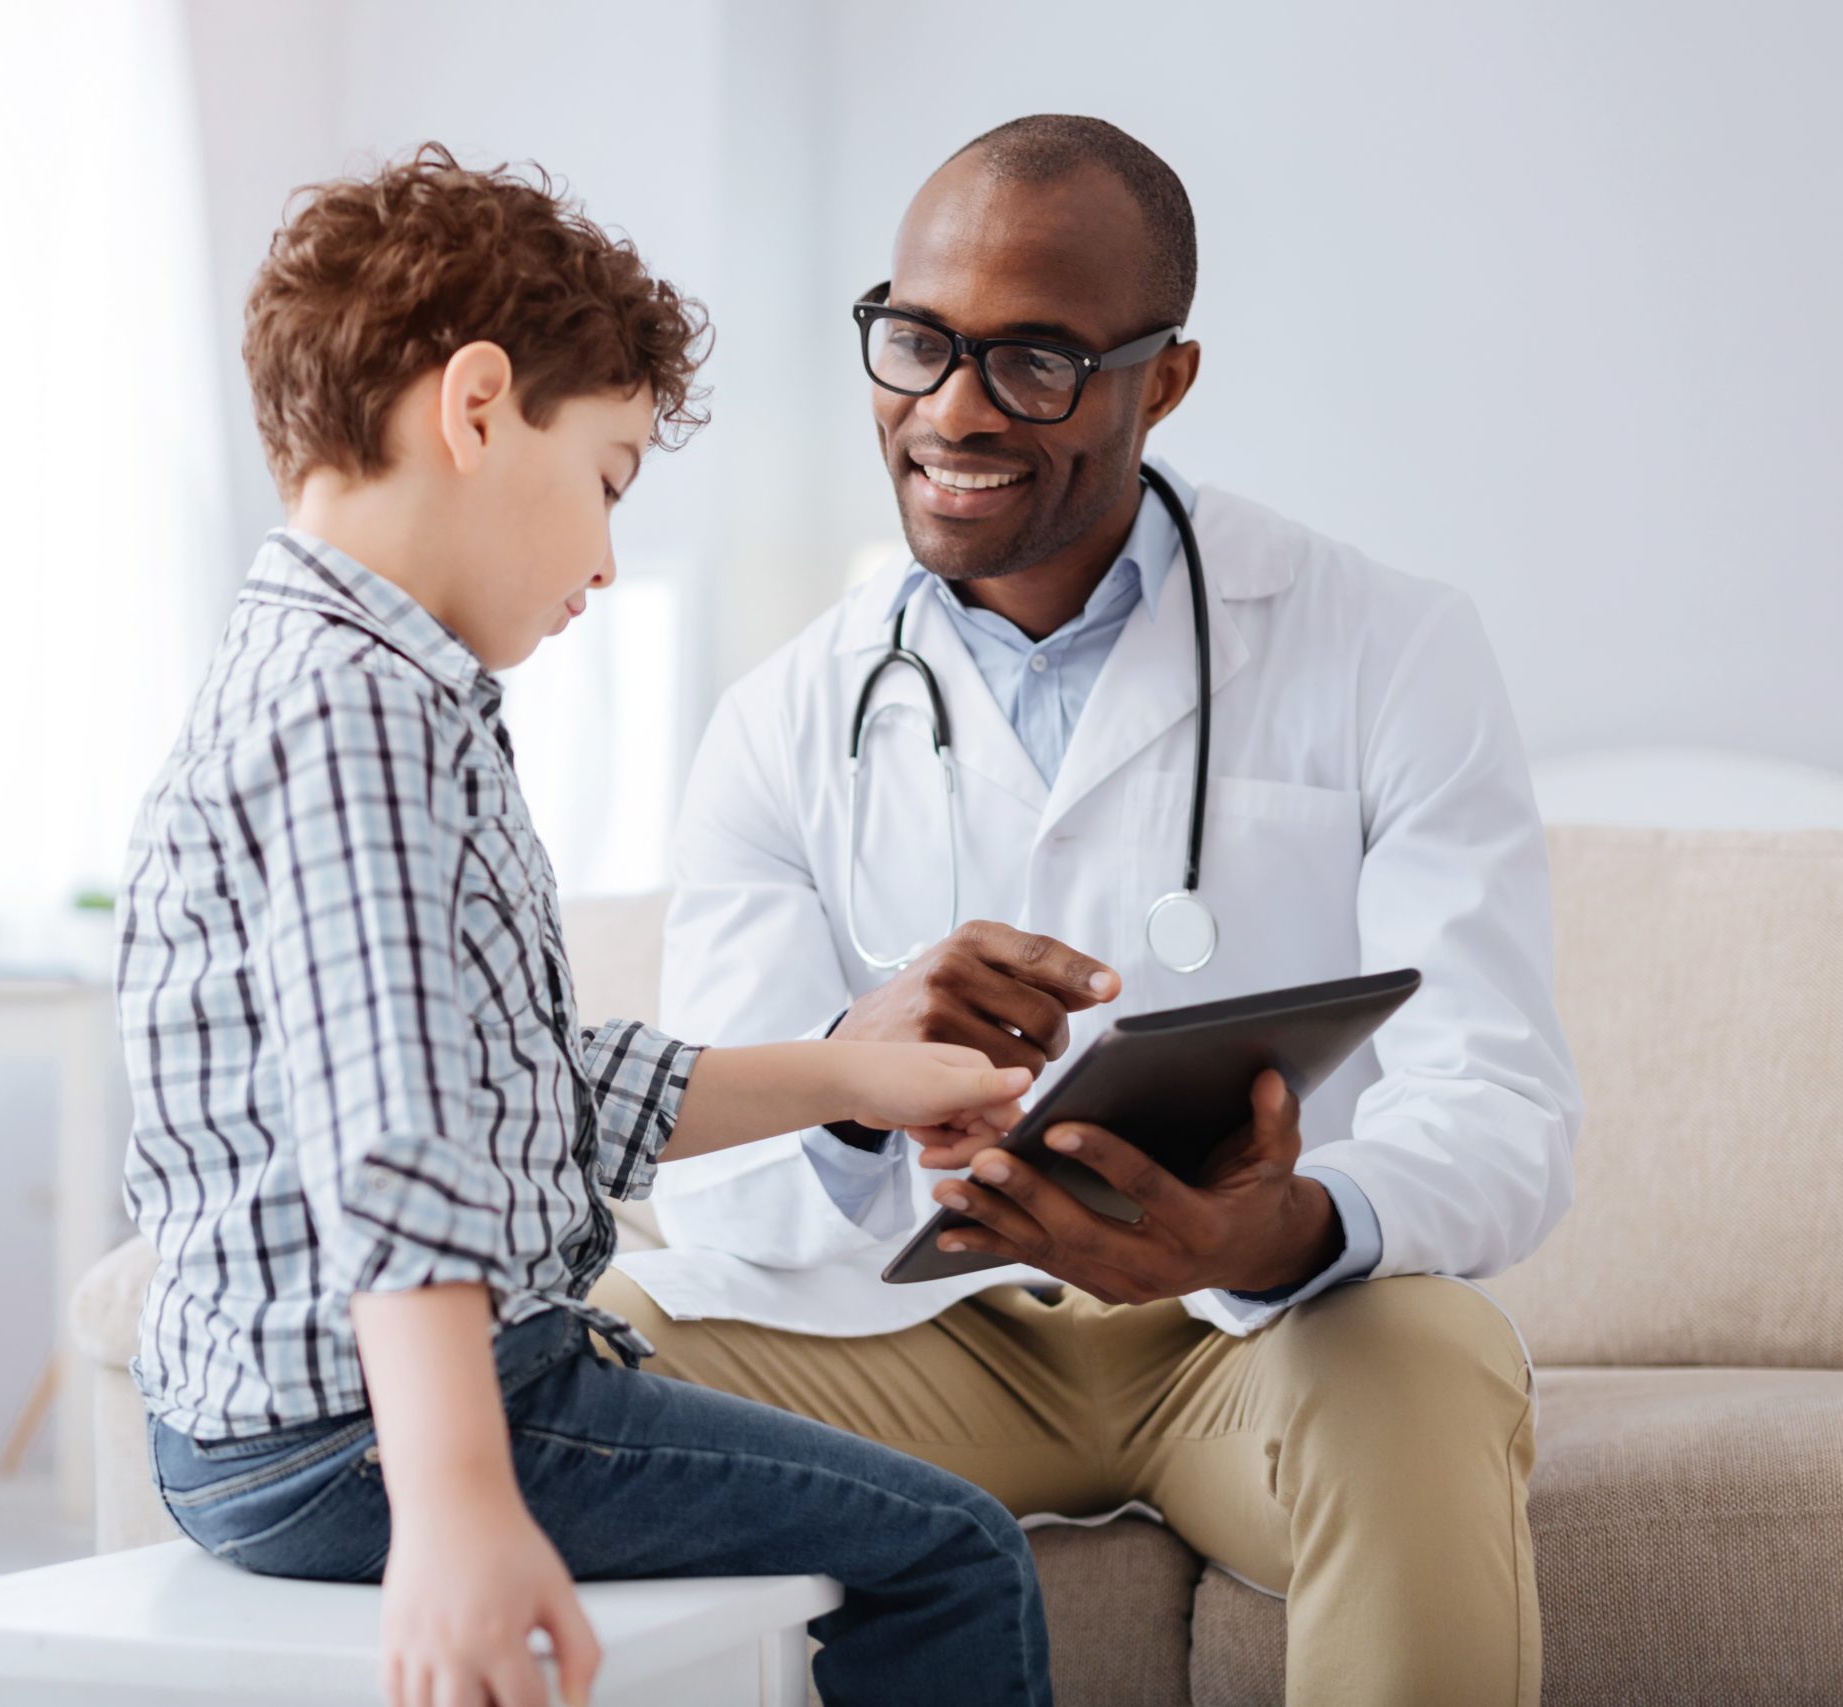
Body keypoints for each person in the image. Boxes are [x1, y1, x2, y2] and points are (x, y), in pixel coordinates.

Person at [598, 115, 1582, 1706]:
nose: (953, 411)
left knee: (1436, 1362)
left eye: (1036, 361)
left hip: (1251, 1338)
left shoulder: (1388, 649)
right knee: (583, 1369)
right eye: (917, 342)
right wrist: (851, 1081)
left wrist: (1285, 1229)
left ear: (1164, 379)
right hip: (914, 1346)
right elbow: (717, 1190)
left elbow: (1503, 1106)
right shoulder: (785, 717)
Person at [116, 145, 1056, 1707]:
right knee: (952, 1552)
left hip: (283, 1429)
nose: (610, 562)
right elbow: (395, 1140)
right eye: (610, 477)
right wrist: (460, 1504)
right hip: (363, 1431)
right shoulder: (360, 716)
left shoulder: (328, 682)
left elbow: (526, 1087)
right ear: (477, 409)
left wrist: (849, 1076)